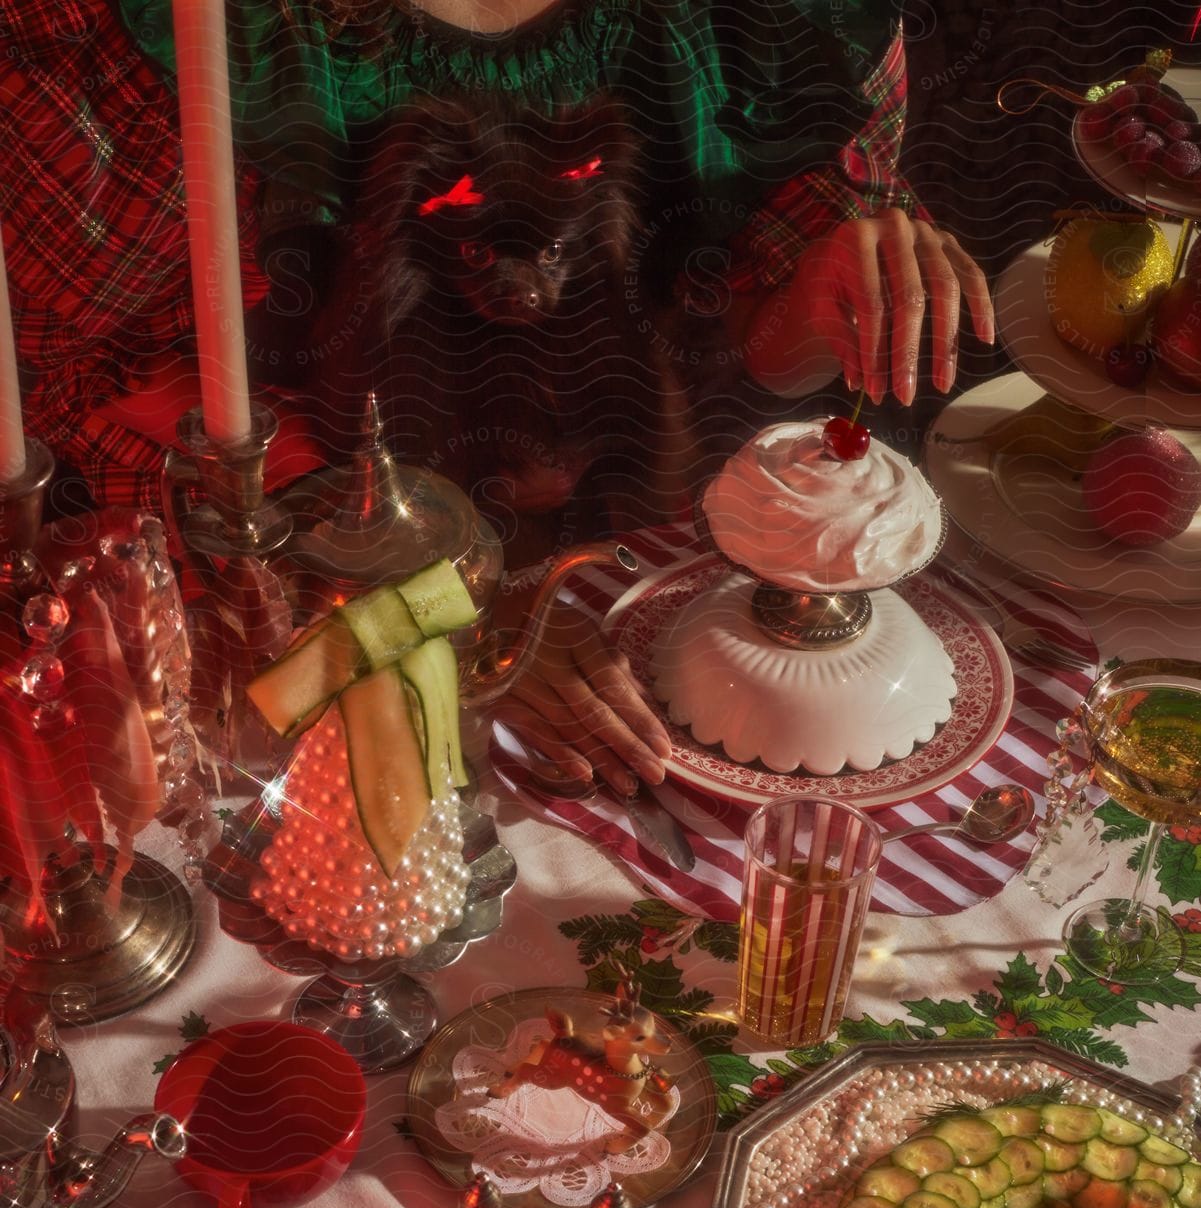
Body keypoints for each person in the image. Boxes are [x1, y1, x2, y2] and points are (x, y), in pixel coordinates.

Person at [0, 0, 993, 797]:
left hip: (655, 591)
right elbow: (99, 376)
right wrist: (422, 584)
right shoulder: (190, 38)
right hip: (319, 607)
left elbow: (751, 351)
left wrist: (820, 301)